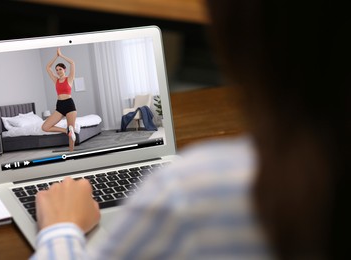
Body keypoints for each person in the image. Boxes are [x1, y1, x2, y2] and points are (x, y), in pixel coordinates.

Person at [31, 0, 348, 259]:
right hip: (61, 105)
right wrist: (55, 61)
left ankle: (71, 145)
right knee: (60, 125)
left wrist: (61, 227)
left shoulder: (195, 189)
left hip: (68, 104)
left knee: (78, 128)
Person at [42, 48, 77, 152]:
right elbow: (48, 67)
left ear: (64, 70)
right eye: (56, 70)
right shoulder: (55, 80)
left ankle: (71, 153)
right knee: (45, 127)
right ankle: (66, 130)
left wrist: (61, 55)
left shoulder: (69, 78)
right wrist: (56, 56)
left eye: (60, 69)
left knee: (72, 130)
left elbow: (72, 63)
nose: (58, 71)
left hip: (69, 105)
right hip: (60, 105)